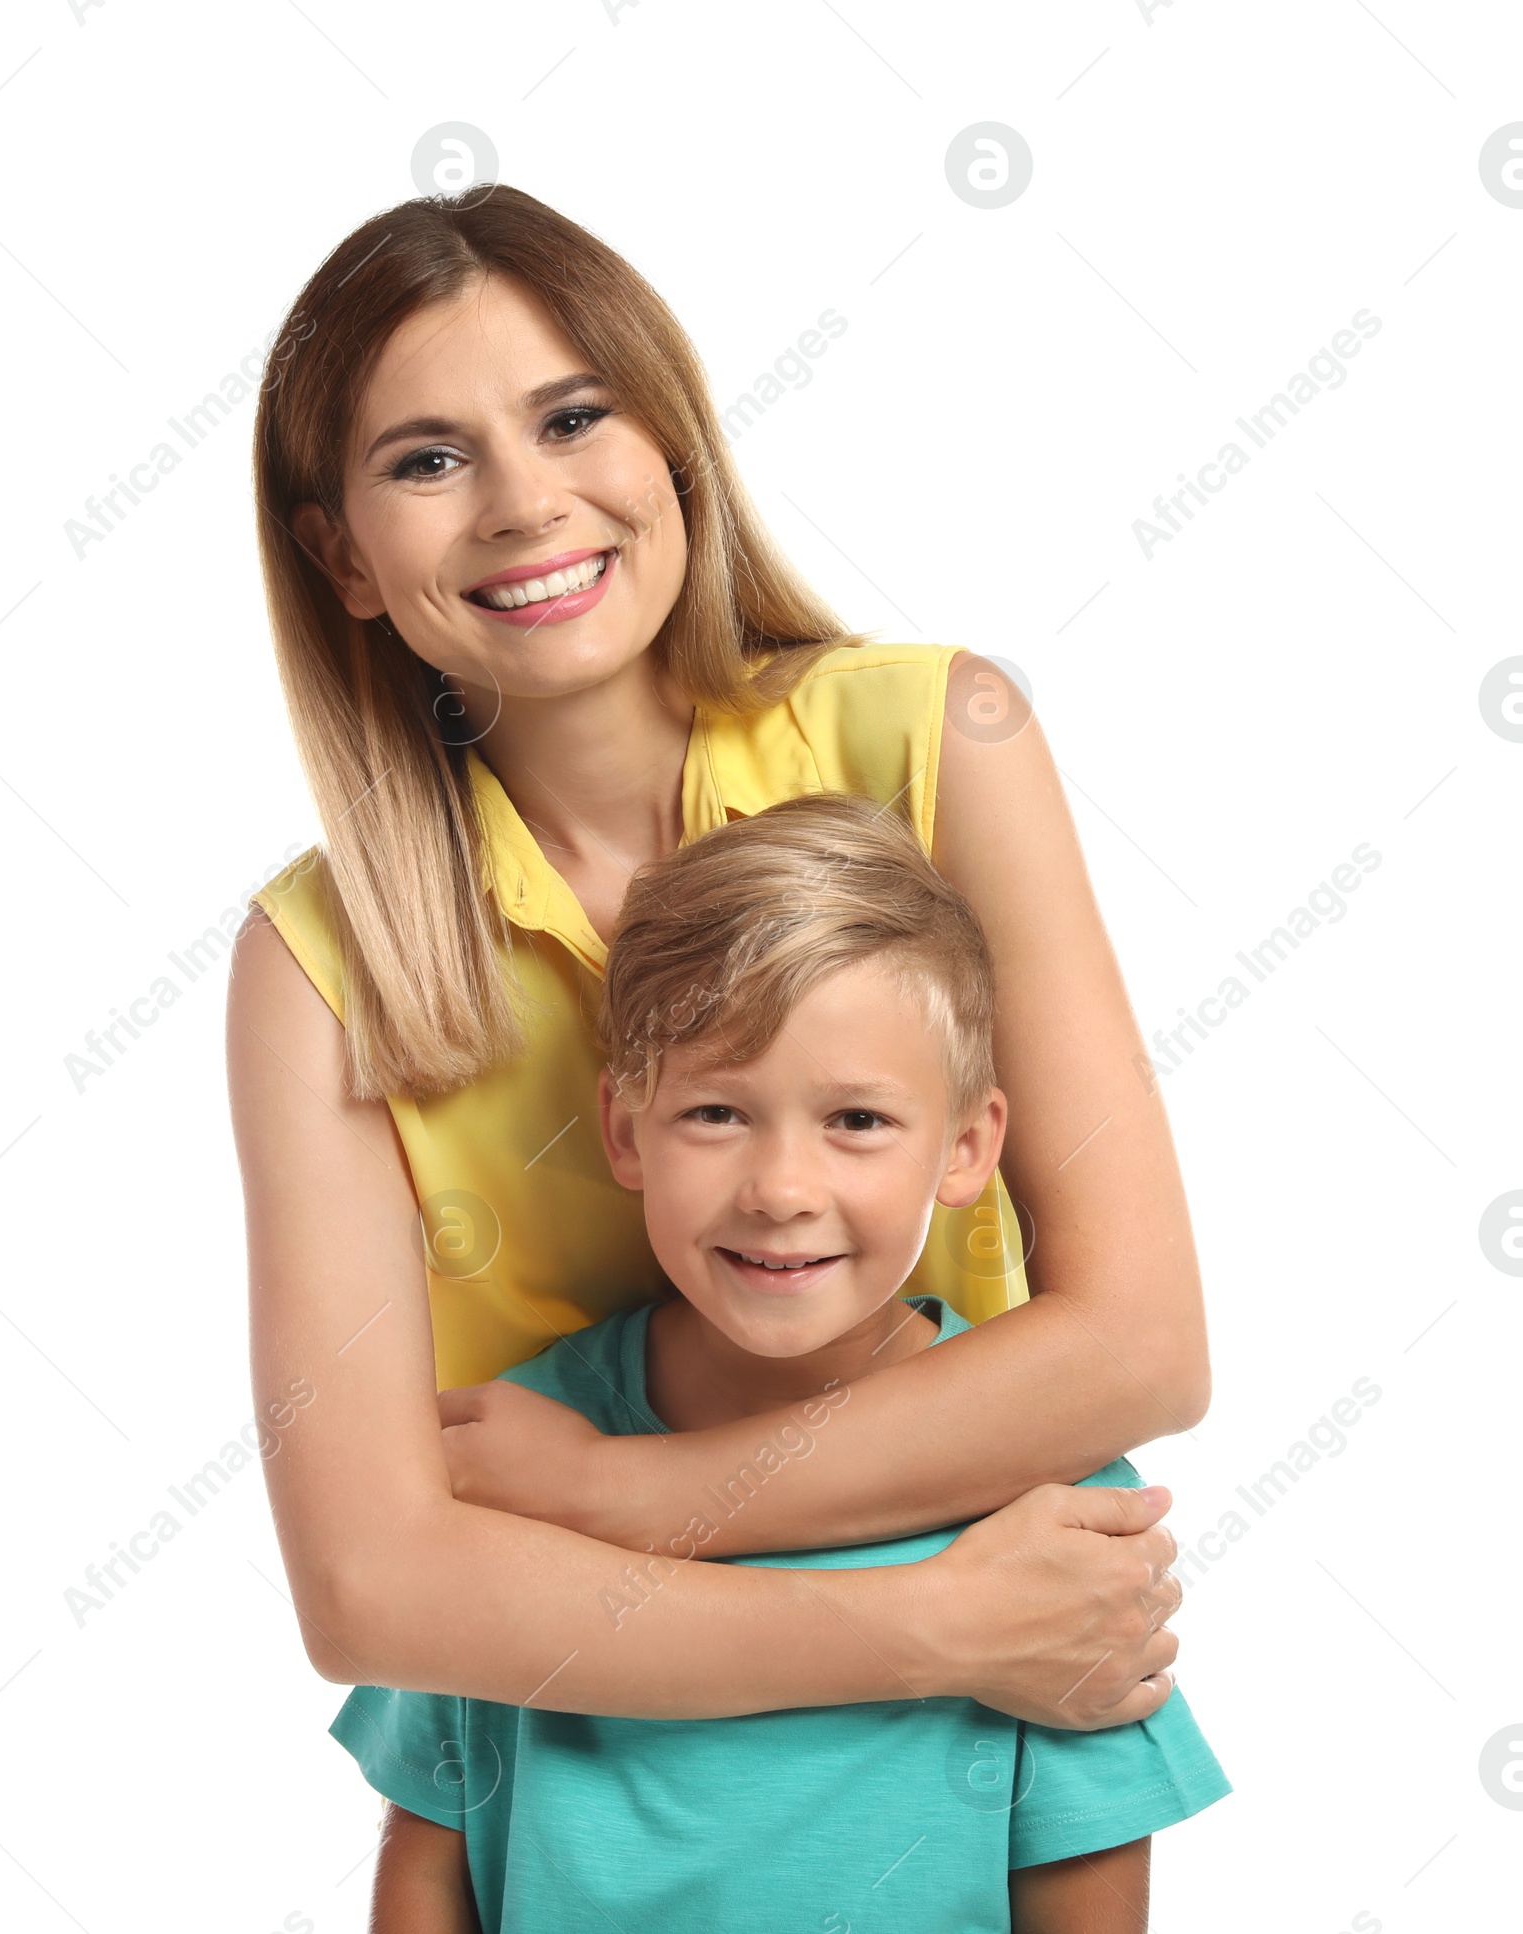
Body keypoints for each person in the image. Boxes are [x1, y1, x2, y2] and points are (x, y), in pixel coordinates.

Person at [228, 185, 1206, 1738]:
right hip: (579, 1751)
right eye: (428, 459)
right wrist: (929, 1621)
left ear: (672, 444)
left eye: (573, 418)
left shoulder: (942, 737)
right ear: (343, 557)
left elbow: (1141, 1344)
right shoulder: (318, 964)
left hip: (976, 1721)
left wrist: (626, 1496)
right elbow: (370, 1590)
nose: (521, 503)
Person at [338, 794, 1230, 1933]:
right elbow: (429, 1841)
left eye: (855, 1119)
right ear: (623, 1129)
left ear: (966, 1147)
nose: (780, 1188)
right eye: (717, 1110)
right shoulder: (510, 1457)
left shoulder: (1050, 1507)